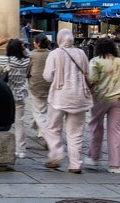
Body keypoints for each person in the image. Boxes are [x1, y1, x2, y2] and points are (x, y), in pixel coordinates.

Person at [42, 28, 92, 173]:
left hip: (59, 96)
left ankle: (56, 157)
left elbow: (47, 76)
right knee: (76, 132)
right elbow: (87, 71)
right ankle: (75, 164)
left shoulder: (55, 54)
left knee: (52, 128)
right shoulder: (81, 53)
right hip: (79, 97)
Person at [85, 36, 120, 174]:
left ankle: (94, 156)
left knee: (95, 126)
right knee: (117, 131)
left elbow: (92, 79)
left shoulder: (96, 61)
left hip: (100, 98)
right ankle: (117, 165)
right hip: (119, 98)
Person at [0, 38, 30, 158]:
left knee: (2, 119)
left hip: (8, 96)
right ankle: (21, 150)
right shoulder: (26, 61)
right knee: (19, 123)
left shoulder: (8, 60)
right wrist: (22, 46)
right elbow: (27, 52)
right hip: (20, 95)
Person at [28, 33, 52, 147]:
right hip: (50, 86)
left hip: (36, 85)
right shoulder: (51, 54)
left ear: (37, 44)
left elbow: (27, 71)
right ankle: (38, 128)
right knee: (45, 109)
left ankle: (47, 135)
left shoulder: (32, 55)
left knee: (39, 112)